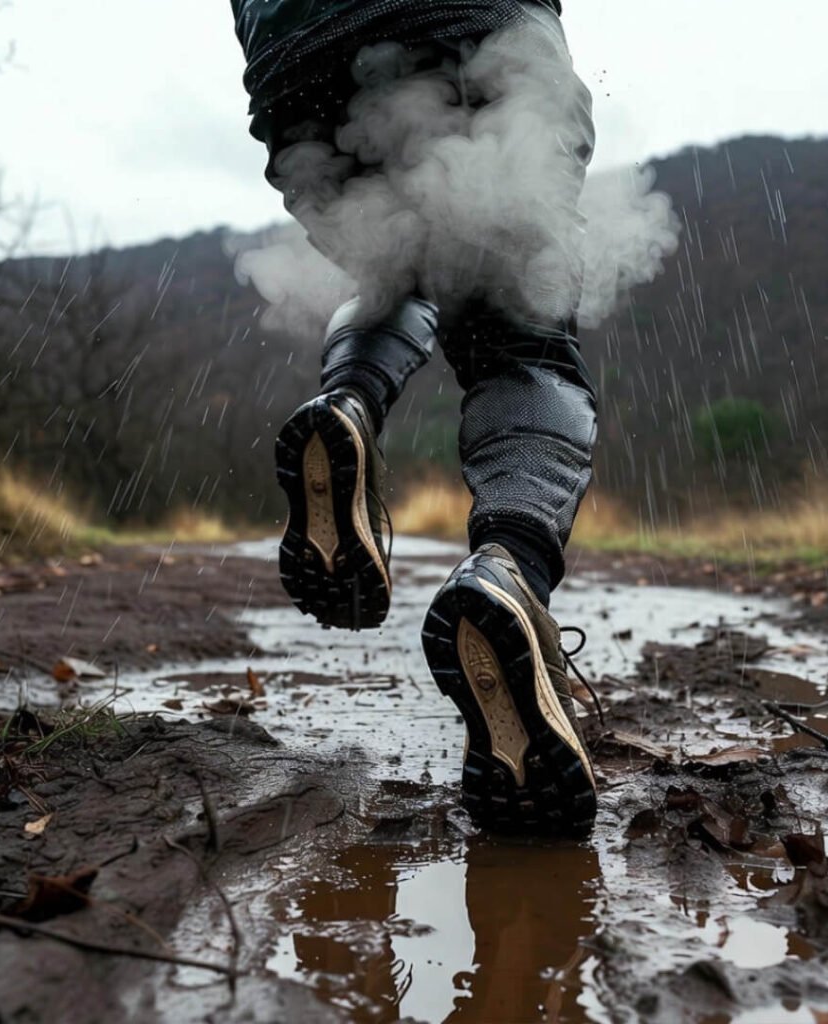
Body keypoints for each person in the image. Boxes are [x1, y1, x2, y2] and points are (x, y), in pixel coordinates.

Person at [229, 0, 600, 834]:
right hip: (474, 28)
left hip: (299, 62)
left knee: (393, 268)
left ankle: (348, 402)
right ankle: (509, 569)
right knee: (523, 344)